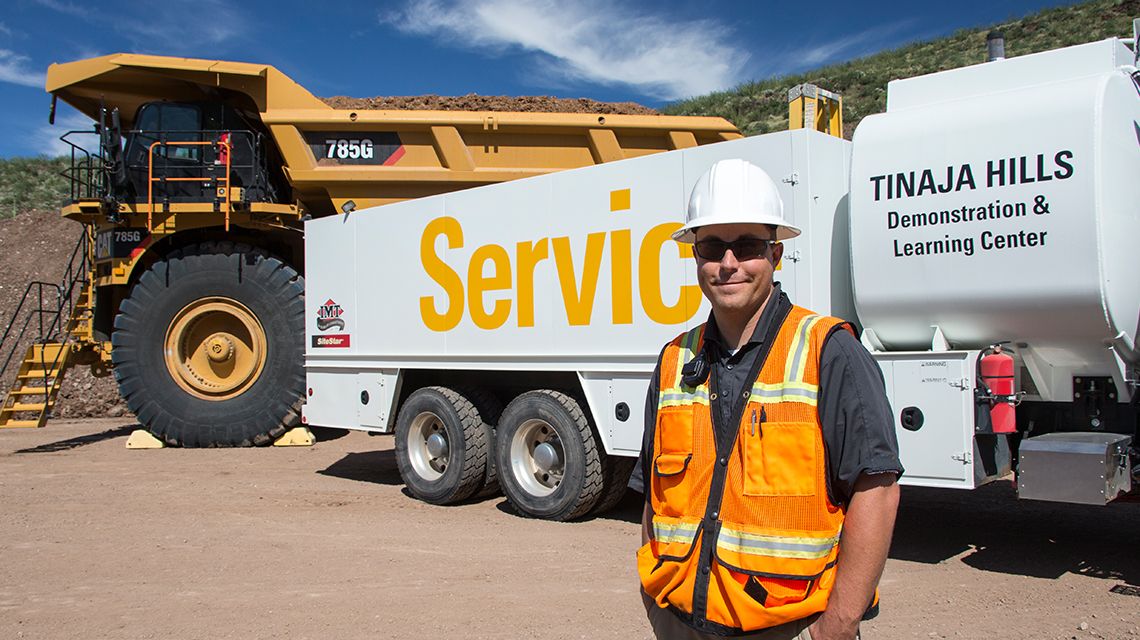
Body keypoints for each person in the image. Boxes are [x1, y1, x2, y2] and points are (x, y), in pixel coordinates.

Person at [636, 159, 903, 640]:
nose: (729, 262)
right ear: (696, 255)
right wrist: (652, 595)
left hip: (789, 627)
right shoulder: (676, 358)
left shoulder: (829, 349)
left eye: (749, 246)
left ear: (776, 254)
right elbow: (654, 498)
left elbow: (877, 490)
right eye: (713, 246)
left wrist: (838, 625)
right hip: (679, 621)